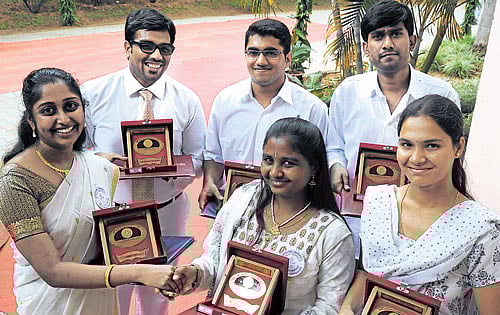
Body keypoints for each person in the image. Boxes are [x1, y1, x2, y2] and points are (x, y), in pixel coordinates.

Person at [0, 68, 179, 315]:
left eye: (71, 106)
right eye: (48, 111)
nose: (63, 119)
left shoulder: (99, 168)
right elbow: (53, 271)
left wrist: (151, 265)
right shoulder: (16, 181)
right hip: (48, 305)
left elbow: (107, 245)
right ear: (31, 120)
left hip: (101, 301)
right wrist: (141, 272)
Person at [81, 8, 206, 314]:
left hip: (167, 212)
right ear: (127, 47)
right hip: (112, 216)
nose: (157, 56)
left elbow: (199, 158)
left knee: (159, 296)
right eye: (147, 46)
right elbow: (74, 153)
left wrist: (171, 170)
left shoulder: (186, 99)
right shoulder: (94, 94)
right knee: (113, 298)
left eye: (165, 49)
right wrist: (101, 161)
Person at [339, 95, 500, 315]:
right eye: (406, 145)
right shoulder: (379, 204)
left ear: (458, 147)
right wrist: (348, 307)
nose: (416, 158)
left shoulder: (482, 230)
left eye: (431, 146)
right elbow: (369, 275)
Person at [178, 117, 355, 314]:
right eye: (268, 160)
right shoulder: (244, 198)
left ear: (313, 168)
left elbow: (329, 308)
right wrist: (194, 273)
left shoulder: (333, 234)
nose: (275, 172)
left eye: (288, 163)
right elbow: (214, 261)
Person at [199, 18, 334, 209]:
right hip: (231, 208)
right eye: (253, 52)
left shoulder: (311, 109)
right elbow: (214, 155)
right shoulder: (225, 102)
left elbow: (319, 167)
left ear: (287, 59)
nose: (261, 61)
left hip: (289, 213)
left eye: (270, 53)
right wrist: (210, 182)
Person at [329, 0, 461, 194]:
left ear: (412, 41)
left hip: (420, 211)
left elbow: (452, 154)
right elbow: (334, 146)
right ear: (366, 48)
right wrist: (336, 165)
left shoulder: (442, 95)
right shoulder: (347, 92)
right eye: (378, 36)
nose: (388, 44)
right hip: (355, 213)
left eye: (396, 33)